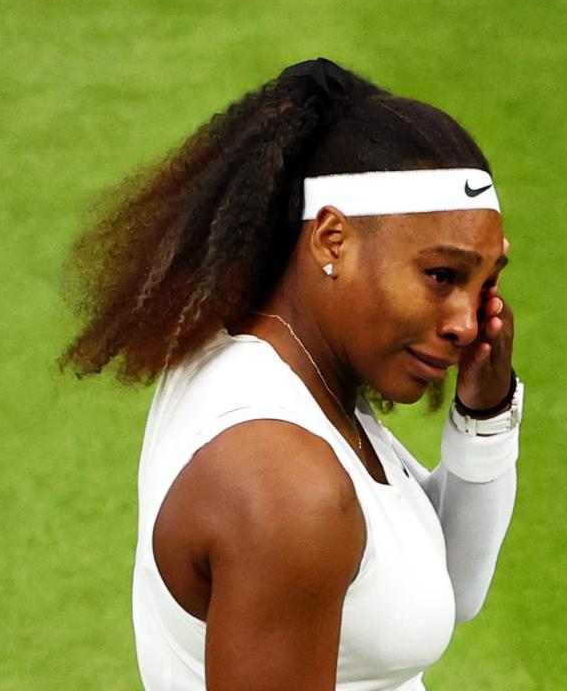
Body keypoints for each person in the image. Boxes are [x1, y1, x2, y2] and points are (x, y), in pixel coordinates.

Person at [59, 58, 524, 691]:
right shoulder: (287, 488)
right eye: (441, 276)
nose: (468, 323)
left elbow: (450, 587)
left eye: (486, 283)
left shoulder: (277, 366)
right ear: (333, 239)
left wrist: (486, 414)